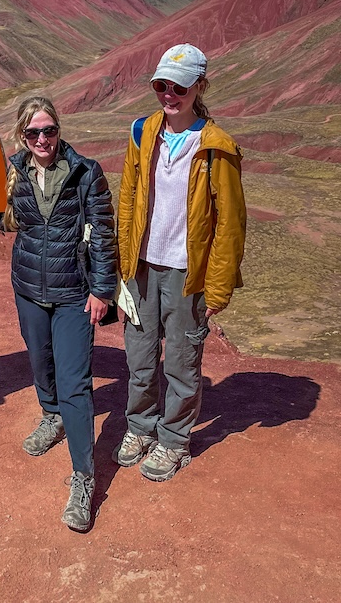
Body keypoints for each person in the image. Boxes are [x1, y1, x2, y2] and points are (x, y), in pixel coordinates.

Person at [0, 96, 117, 531]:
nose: (42, 139)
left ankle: (83, 478)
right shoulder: (14, 173)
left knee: (77, 383)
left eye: (49, 130)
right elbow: (7, 221)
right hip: (28, 290)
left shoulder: (85, 172)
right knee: (40, 360)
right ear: (22, 135)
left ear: (59, 130)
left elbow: (104, 233)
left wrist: (103, 290)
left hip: (74, 293)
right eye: (33, 132)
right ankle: (51, 415)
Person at [113, 43, 246, 482]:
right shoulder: (142, 132)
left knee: (182, 362)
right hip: (143, 266)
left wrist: (219, 286)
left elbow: (229, 222)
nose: (169, 94)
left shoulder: (215, 147)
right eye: (161, 86)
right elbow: (128, 198)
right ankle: (139, 427)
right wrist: (123, 266)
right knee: (139, 356)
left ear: (200, 86)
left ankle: (173, 440)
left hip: (188, 274)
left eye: (180, 87)